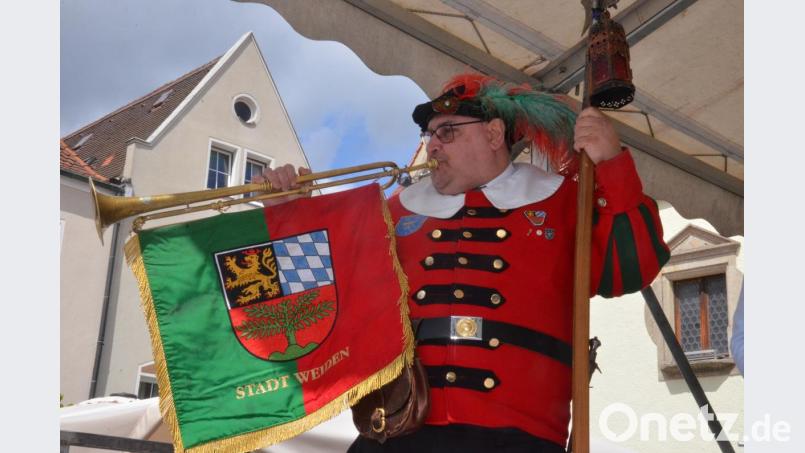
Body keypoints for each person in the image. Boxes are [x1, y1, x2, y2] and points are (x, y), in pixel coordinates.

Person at [258, 74, 670, 453]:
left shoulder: (562, 200)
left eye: (447, 131)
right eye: (429, 134)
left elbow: (629, 268)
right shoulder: (392, 212)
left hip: (519, 437)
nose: (433, 144)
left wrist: (612, 162)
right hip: (398, 431)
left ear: (494, 134)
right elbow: (320, 305)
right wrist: (289, 218)